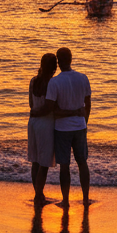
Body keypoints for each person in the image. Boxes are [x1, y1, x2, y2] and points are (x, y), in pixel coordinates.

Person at [32, 46, 92, 206]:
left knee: (64, 166)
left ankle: (66, 201)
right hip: (80, 127)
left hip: (62, 129)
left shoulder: (55, 82)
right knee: (82, 163)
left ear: (58, 63)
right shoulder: (83, 78)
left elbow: (52, 109)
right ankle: (85, 199)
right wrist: (83, 121)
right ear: (71, 59)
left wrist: (36, 113)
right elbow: (88, 105)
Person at [27, 52, 58, 202]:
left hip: (32, 123)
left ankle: (38, 193)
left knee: (35, 161)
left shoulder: (33, 81)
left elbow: (31, 104)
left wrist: (36, 112)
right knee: (44, 163)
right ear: (54, 67)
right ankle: (39, 195)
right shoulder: (52, 83)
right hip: (46, 124)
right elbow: (49, 107)